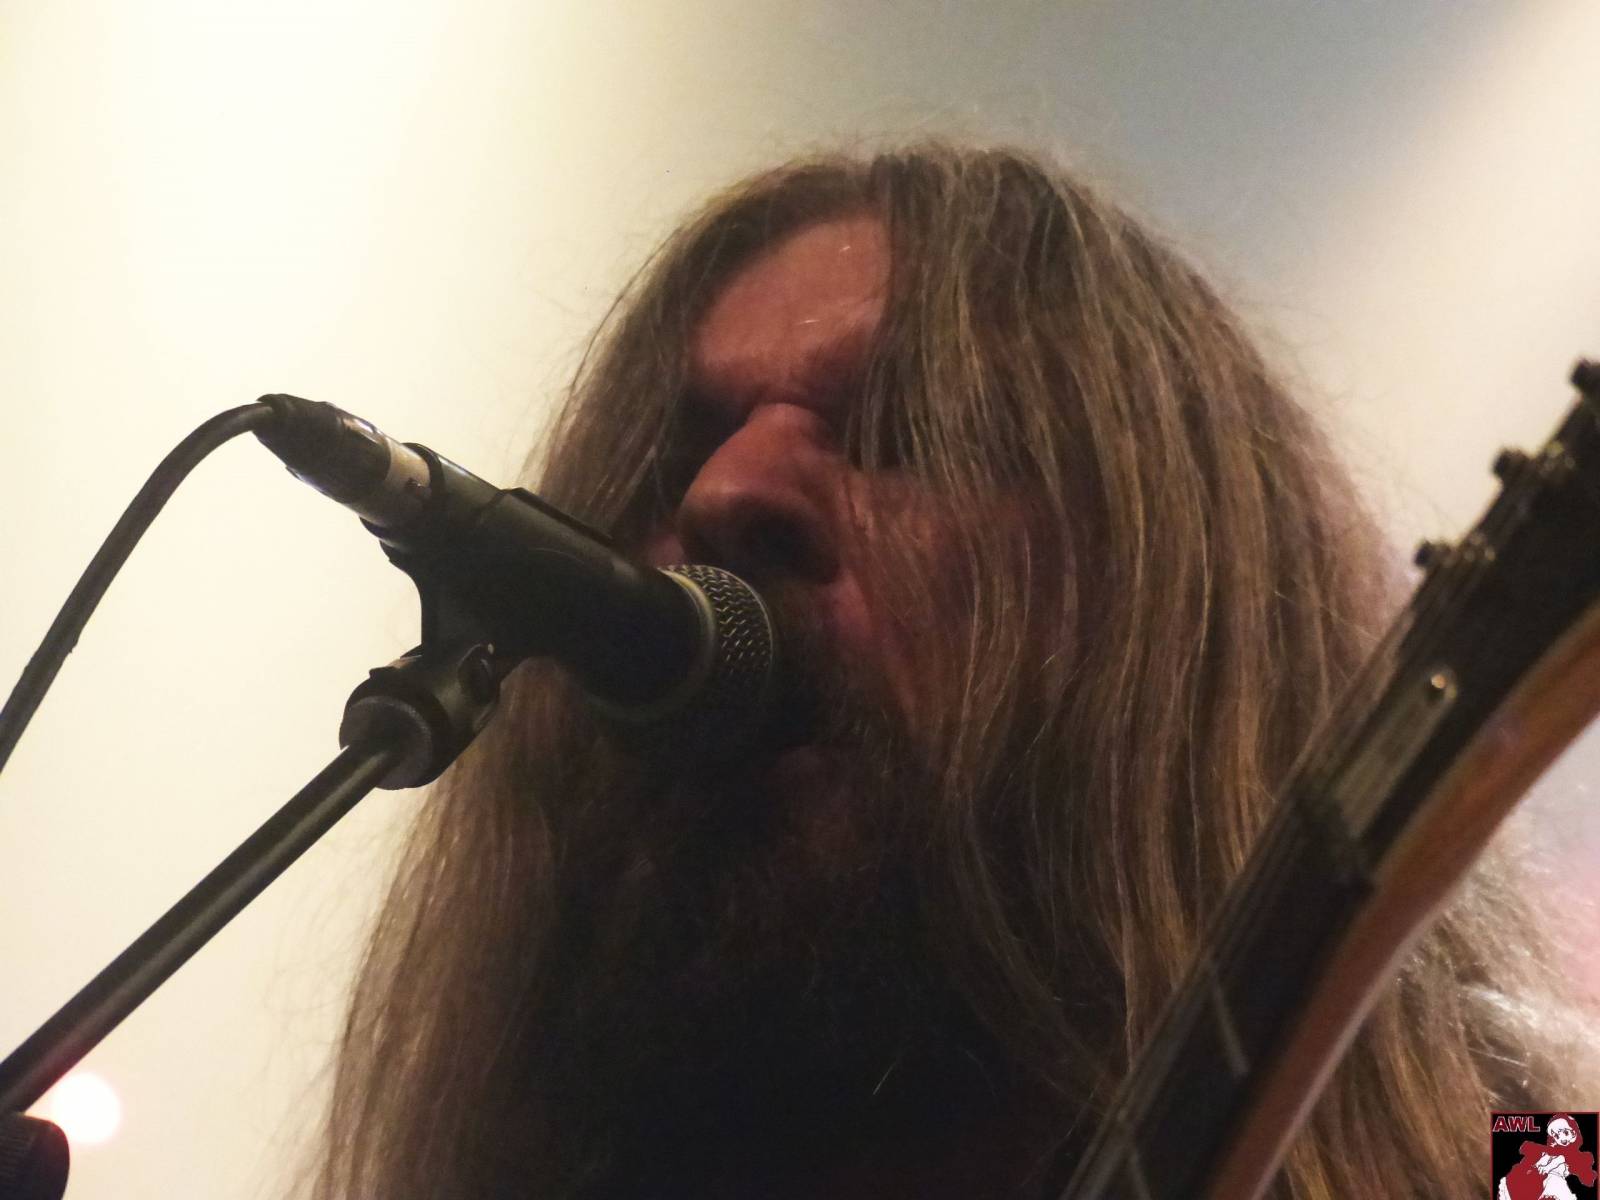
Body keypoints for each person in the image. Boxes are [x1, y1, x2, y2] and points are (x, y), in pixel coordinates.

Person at [300, 143, 1593, 1199]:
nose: (727, 493)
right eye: (686, 445)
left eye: (901, 429)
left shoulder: (1531, 1159)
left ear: (1163, 604)